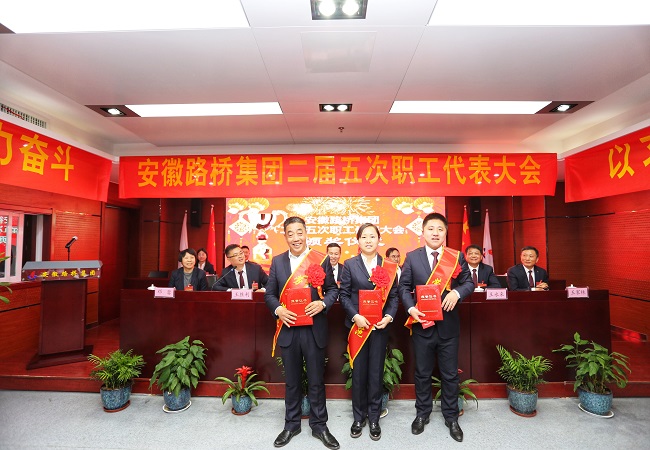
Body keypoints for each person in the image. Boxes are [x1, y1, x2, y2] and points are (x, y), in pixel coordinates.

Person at [264, 217, 340, 450]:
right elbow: (270, 294)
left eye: (300, 232)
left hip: (314, 329)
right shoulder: (277, 262)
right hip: (289, 328)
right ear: (285, 236)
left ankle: (320, 426)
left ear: (306, 234)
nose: (296, 238)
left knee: (316, 381)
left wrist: (323, 304)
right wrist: (278, 310)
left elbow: (333, 290)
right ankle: (291, 425)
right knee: (292, 381)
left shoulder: (321, 259)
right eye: (291, 234)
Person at [399, 212, 474, 443]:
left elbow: (469, 282)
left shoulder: (456, 256)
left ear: (445, 233)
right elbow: (403, 287)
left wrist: (457, 292)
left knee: (449, 375)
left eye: (440, 229)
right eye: (430, 229)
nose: (435, 233)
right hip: (422, 325)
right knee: (422, 373)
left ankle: (451, 417)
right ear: (423, 232)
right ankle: (422, 413)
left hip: (448, 328)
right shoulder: (412, 257)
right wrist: (410, 308)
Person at [339, 223, 399, 441]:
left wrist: (388, 316)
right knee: (358, 374)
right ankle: (358, 418)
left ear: (379, 239)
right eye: (364, 237)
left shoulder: (389, 265)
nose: (368, 240)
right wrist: (355, 316)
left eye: (372, 236)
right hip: (358, 327)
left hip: (379, 327)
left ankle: (374, 418)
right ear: (358, 240)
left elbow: (394, 296)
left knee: (375, 373)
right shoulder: (350, 264)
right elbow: (344, 295)